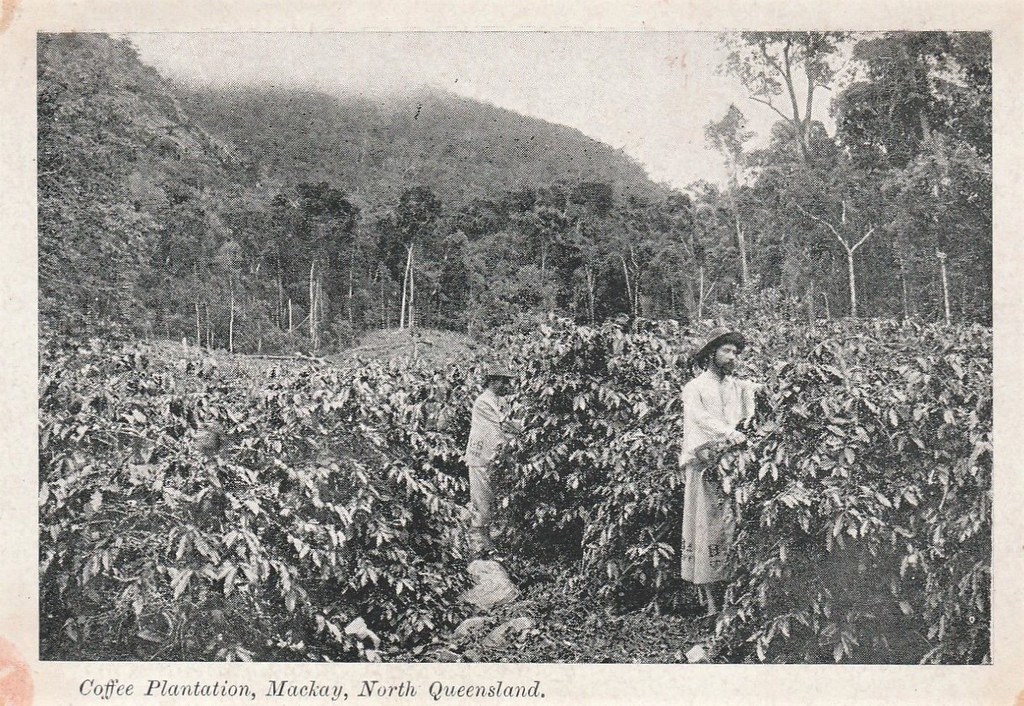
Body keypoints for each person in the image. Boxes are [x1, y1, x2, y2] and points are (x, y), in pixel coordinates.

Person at [679, 327, 759, 616]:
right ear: (711, 354)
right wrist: (728, 433)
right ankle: (711, 605)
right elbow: (699, 418)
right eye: (726, 351)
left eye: (736, 352)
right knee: (706, 528)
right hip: (705, 465)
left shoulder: (738, 386)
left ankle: (734, 601)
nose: (732, 357)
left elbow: (750, 416)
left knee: (733, 528)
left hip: (734, 465)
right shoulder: (695, 387)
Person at [464, 364, 520, 560]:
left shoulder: (497, 400)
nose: (506, 385)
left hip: (494, 459)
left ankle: (489, 544)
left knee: (493, 502)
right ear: (492, 381)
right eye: (503, 381)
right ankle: (482, 549)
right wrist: (529, 426)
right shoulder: (484, 402)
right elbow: (504, 425)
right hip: (481, 458)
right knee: (482, 503)